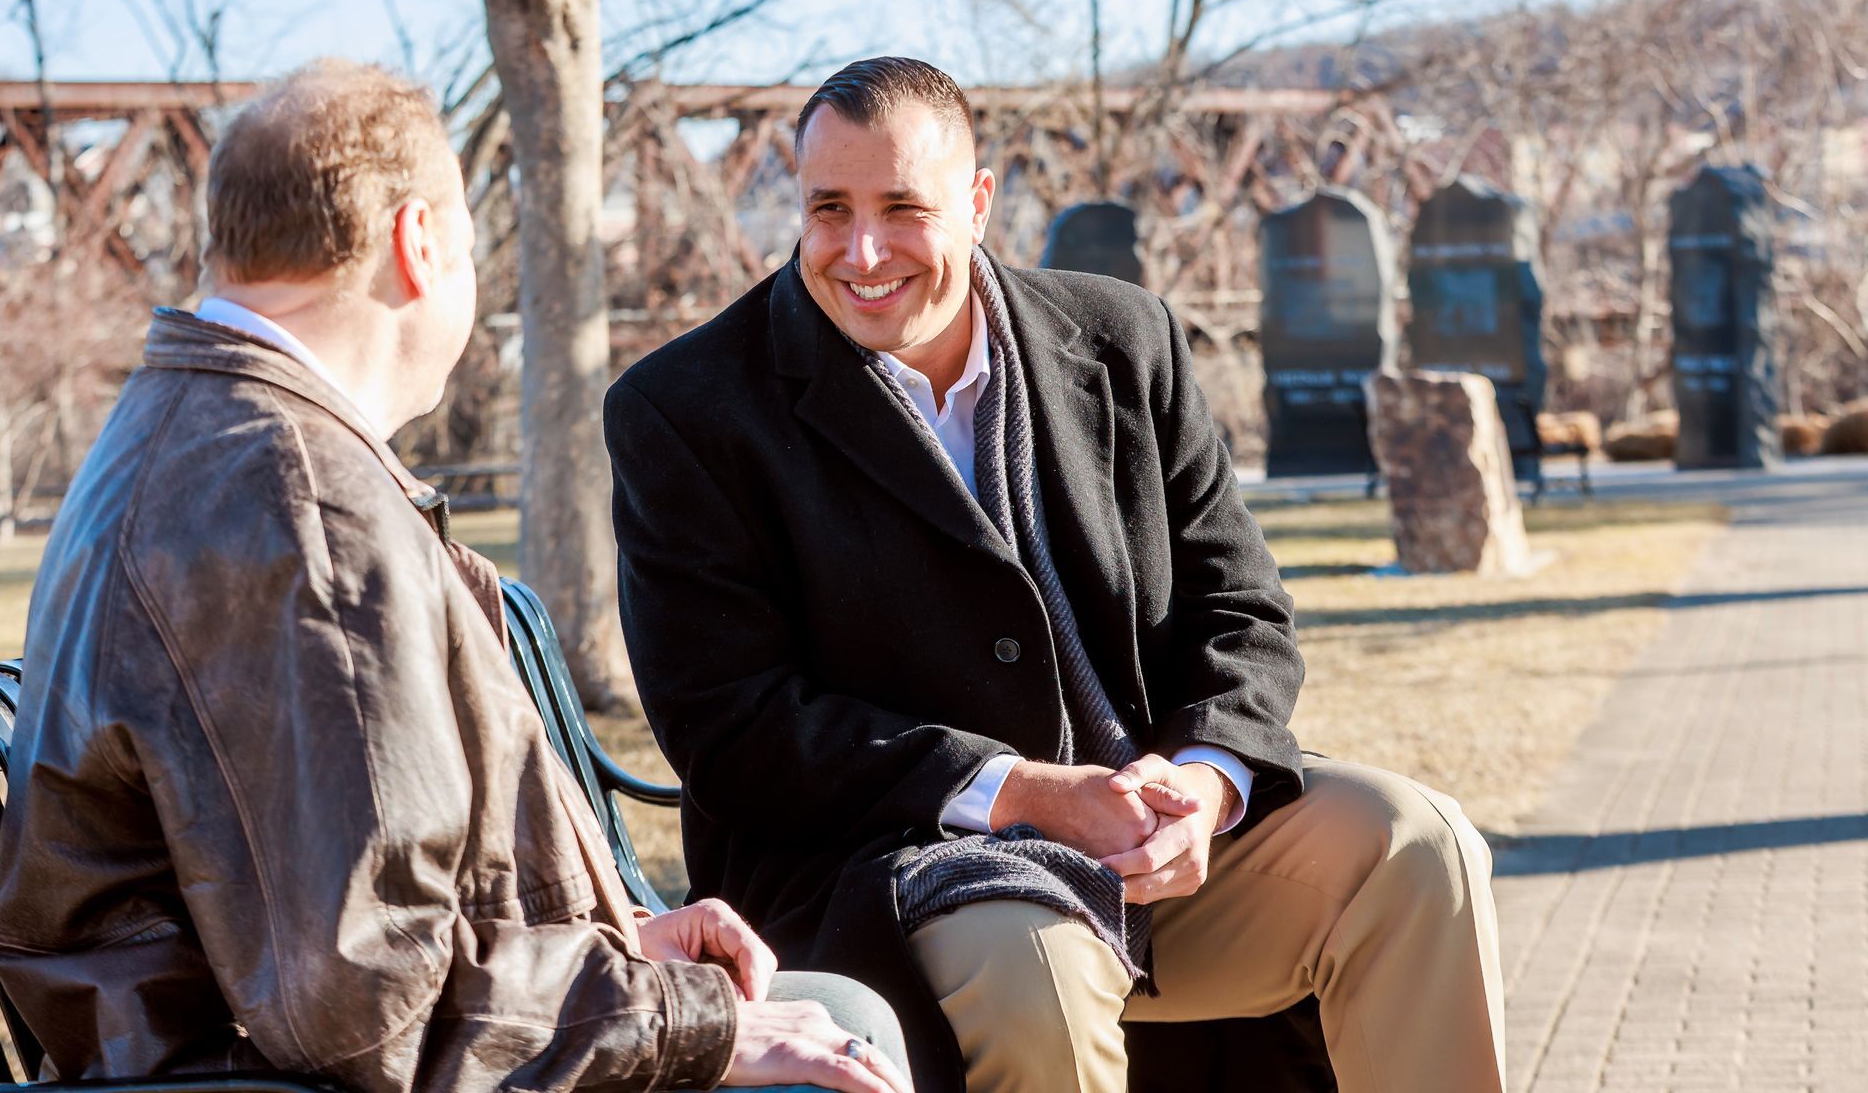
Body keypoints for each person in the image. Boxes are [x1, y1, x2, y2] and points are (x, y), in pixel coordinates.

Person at [0, 60, 911, 1093]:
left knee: (844, 1017)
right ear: (417, 244)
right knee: (832, 1055)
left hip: (239, 1052)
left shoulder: (201, 434)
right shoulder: (303, 513)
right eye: (467, 249)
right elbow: (375, 1002)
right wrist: (685, 1025)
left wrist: (618, 936)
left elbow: (341, 898)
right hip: (264, 1079)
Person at [606, 57, 1506, 1093]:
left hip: (1149, 838)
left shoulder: (1125, 339)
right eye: (828, 209)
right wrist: (1024, 794)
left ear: (978, 201)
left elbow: (1241, 608)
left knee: (1418, 845)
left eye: (903, 208)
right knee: (1038, 963)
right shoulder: (685, 408)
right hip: (882, 868)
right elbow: (733, 725)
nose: (863, 252)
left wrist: (1205, 782)